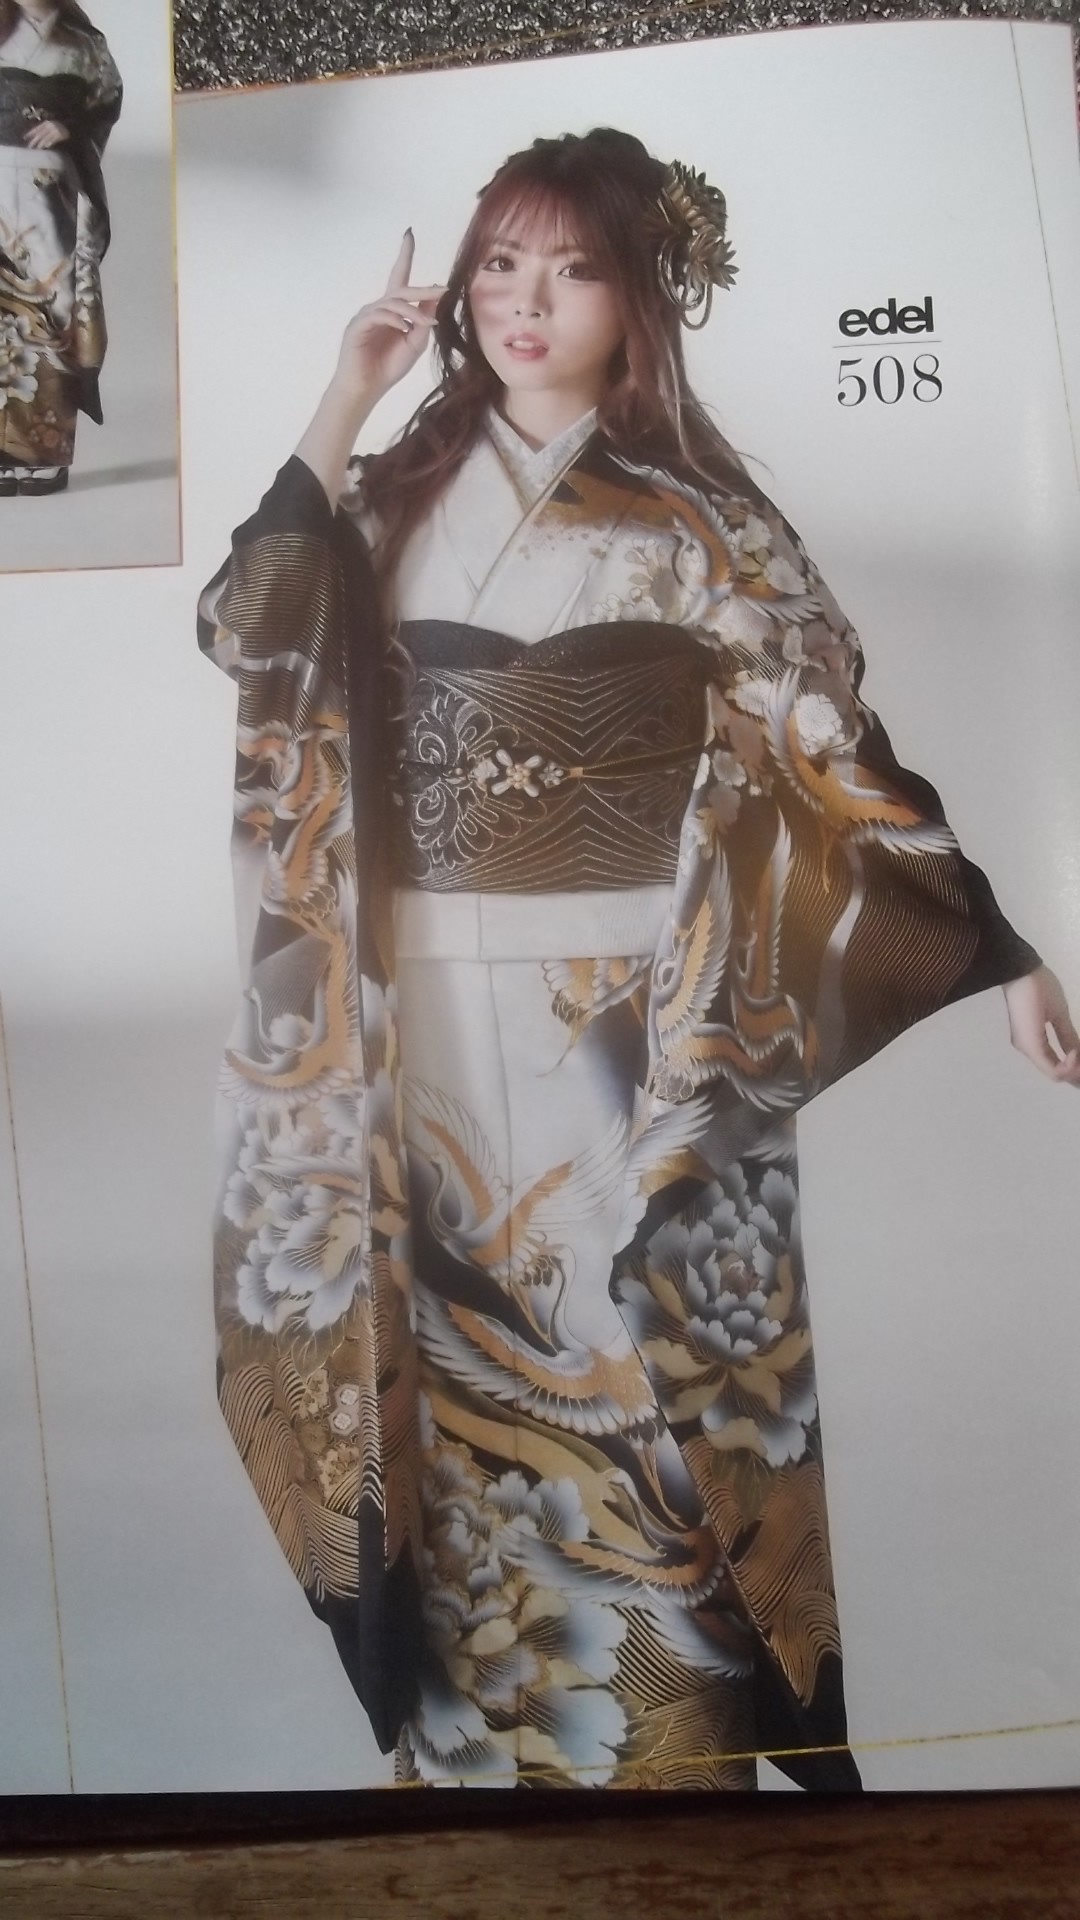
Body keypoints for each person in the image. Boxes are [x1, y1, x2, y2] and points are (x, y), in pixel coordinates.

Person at [198, 128, 1079, 1791]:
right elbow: (248, 627)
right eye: (498, 263)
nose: (522, 300)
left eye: (573, 268)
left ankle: (667, 1747)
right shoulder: (385, 497)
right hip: (424, 1027)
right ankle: (471, 1760)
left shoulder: (696, 523)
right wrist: (345, 391)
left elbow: (826, 740)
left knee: (640, 1375)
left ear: (639, 301)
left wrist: (995, 942)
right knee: (443, 1377)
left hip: (621, 1029)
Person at [0, 0, 121, 497]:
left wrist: (71, 127)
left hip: (51, 187)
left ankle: (46, 454)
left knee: (52, 310)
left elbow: (106, 103)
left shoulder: (84, 43)